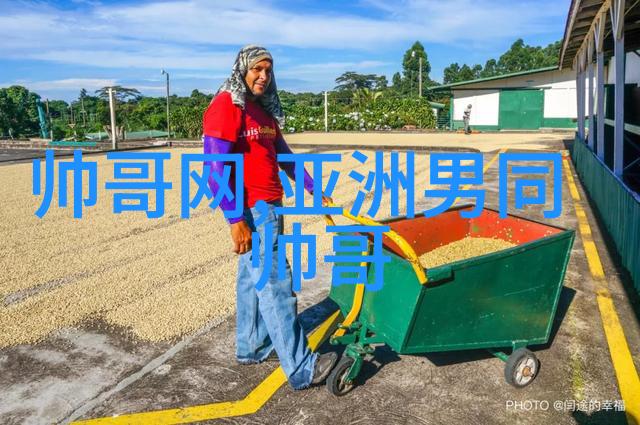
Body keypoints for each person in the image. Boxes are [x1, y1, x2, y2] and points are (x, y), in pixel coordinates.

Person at [201, 45, 337, 390]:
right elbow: (215, 169)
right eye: (257, 69)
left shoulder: (261, 112)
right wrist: (235, 219)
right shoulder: (226, 106)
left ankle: (252, 346)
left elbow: (284, 156)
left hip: (270, 205)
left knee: (252, 282)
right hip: (254, 209)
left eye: (269, 70)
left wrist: (312, 188)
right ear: (242, 70)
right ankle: (303, 368)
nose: (263, 76)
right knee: (276, 286)